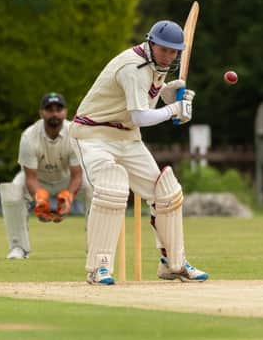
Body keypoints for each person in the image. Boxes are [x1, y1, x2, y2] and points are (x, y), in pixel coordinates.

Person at [70, 19, 208, 285]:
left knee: (166, 192)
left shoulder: (157, 66)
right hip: (93, 135)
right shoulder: (132, 67)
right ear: (151, 43)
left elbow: (143, 102)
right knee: (112, 187)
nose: (169, 56)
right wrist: (173, 111)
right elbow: (140, 115)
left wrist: (169, 95)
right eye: (164, 49)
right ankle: (98, 268)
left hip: (127, 137)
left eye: (173, 51)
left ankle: (173, 264)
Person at [0, 92, 92, 259]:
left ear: (65, 112)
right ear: (41, 112)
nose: (55, 113)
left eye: (59, 109)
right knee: (12, 191)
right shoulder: (29, 137)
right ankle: (19, 248)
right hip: (38, 181)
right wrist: (40, 199)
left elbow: (77, 175)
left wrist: (68, 197)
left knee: (93, 187)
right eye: (49, 109)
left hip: (67, 179)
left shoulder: (74, 134)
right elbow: (30, 177)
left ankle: (95, 247)